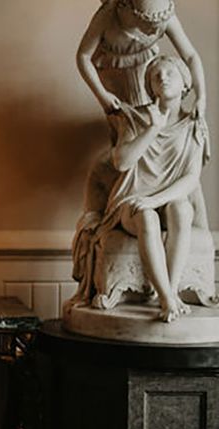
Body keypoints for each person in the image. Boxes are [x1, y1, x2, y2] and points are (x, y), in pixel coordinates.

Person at [98, 55, 210, 321]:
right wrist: (152, 129)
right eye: (156, 75)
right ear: (149, 87)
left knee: (181, 209)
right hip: (132, 201)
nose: (163, 77)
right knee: (146, 216)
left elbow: (191, 178)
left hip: (167, 198)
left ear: (185, 84)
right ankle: (166, 298)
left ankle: (170, 292)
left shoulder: (193, 125)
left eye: (170, 72)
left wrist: (156, 199)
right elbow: (121, 162)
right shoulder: (135, 119)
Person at [77, 0, 205, 116]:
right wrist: (102, 95)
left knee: (153, 122)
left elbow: (190, 56)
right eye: (152, 27)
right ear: (136, 16)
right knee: (125, 128)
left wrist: (201, 96)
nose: (156, 33)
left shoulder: (164, 15)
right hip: (115, 80)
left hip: (148, 78)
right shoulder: (108, 17)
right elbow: (83, 56)